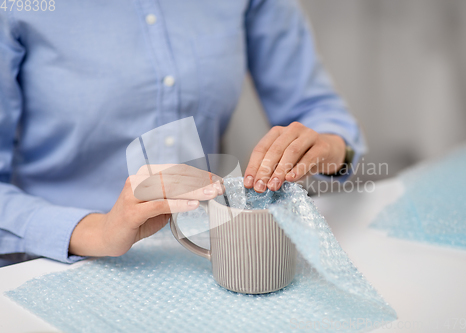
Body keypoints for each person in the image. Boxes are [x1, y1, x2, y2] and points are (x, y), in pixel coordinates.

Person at [0, 0, 365, 264]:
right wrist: (94, 231)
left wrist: (332, 149)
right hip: (51, 263)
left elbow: (319, 114)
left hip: (208, 258)